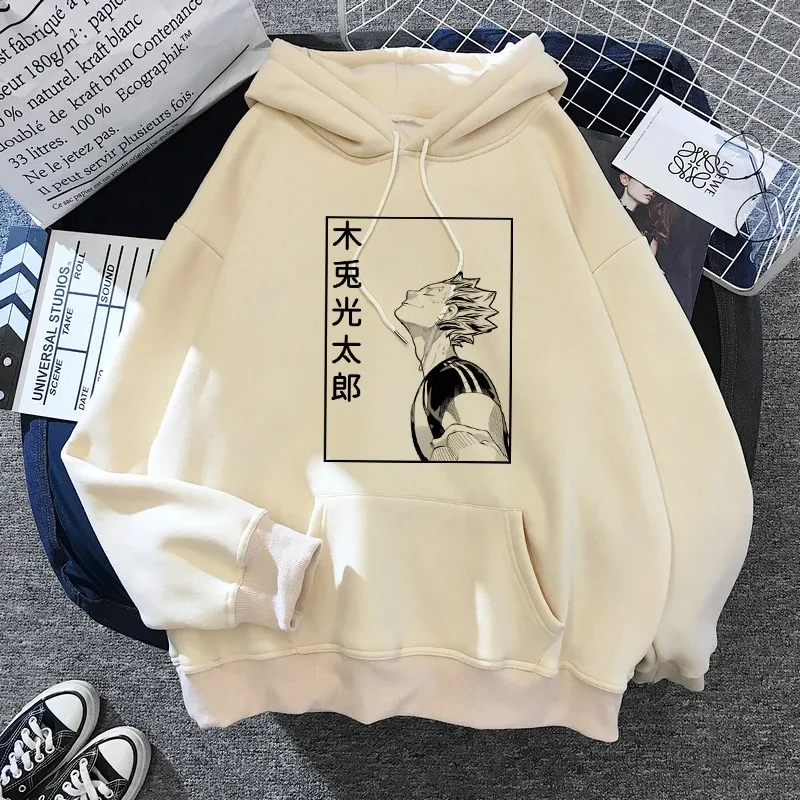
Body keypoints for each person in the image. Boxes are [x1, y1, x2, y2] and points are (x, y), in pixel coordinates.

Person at [394, 272, 510, 462]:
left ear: (448, 312)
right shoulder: (434, 380)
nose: (410, 292)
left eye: (429, 293)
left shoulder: (459, 376)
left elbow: (488, 455)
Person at [617, 172, 678, 258]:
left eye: (656, 187)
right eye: (646, 182)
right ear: (625, 179)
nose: (652, 190)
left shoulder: (650, 232)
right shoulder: (606, 208)